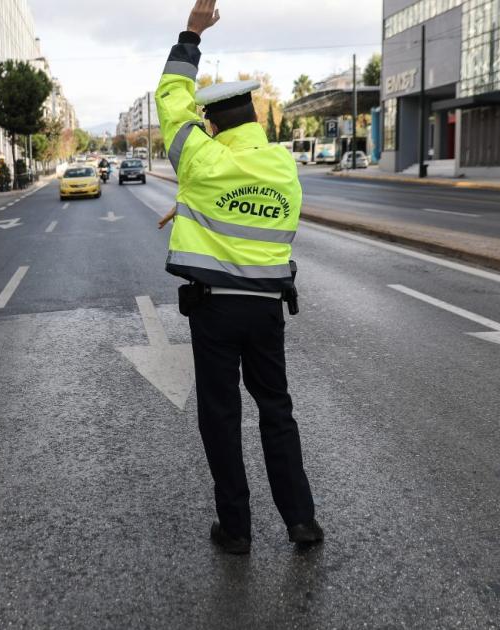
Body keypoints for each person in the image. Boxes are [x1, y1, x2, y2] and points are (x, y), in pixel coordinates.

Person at [157, 0, 323, 554]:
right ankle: (301, 520)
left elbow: (171, 100)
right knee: (276, 410)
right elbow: (252, 213)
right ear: (253, 118)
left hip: (215, 310)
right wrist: (191, 203)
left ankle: (236, 529)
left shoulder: (200, 161)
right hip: (267, 310)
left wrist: (191, 34)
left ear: (211, 124)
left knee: (221, 417)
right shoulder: (283, 166)